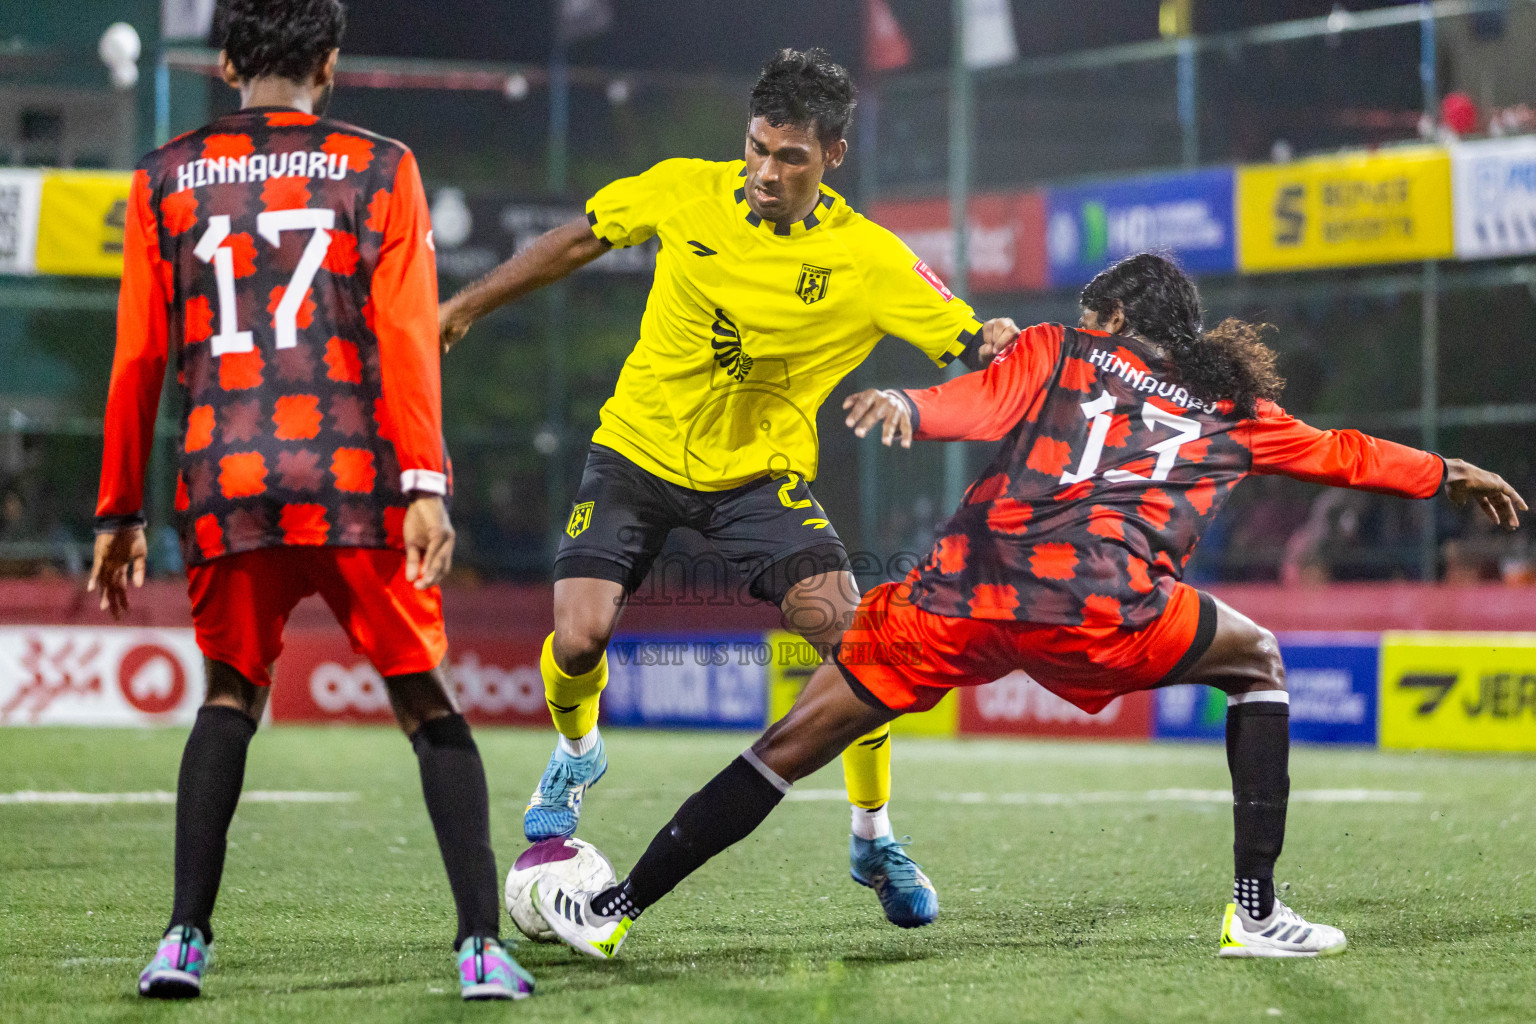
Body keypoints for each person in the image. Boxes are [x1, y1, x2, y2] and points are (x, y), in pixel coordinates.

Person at [530, 253, 1527, 961]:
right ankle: (1255, 913)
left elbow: (985, 401)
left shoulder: (1061, 349)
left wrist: (913, 407)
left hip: (961, 598)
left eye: (1100, 316)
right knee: (1257, 661)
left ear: (1122, 321)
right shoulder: (1234, 411)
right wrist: (1450, 471)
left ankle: (614, 908)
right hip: (1105, 614)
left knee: (787, 745)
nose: (1090, 327)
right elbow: (1344, 453)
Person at [439, 47, 1018, 928]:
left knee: (858, 645)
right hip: (635, 452)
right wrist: (467, 305)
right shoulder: (685, 190)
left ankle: (873, 838)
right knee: (579, 635)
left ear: (832, 158)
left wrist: (999, 344)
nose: (766, 172)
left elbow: (971, 344)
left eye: (791, 157)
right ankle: (577, 749)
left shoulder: (870, 260)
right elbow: (580, 237)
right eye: (757, 147)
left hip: (757, 478)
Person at [89, 0, 530, 1000]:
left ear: (228, 58)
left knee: (229, 695)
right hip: (357, 480)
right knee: (426, 706)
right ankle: (478, 949)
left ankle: (181, 941)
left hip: (226, 479)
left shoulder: (163, 176)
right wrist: (426, 483)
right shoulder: (381, 165)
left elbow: (138, 357)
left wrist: (119, 511)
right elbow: (409, 337)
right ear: (330, 61)